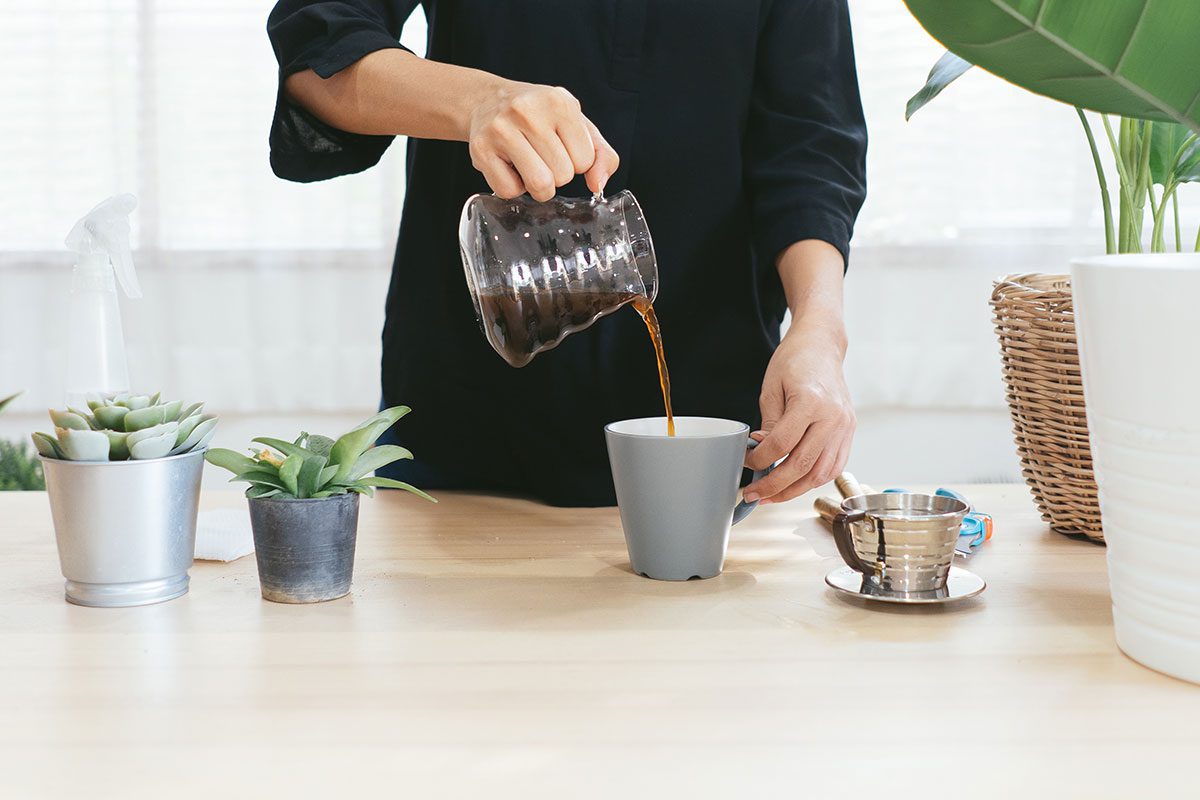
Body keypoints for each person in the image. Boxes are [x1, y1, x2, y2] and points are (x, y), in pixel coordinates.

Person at [267, 0, 867, 507]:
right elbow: (318, 44)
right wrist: (477, 101)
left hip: (706, 416)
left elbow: (809, 150)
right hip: (466, 411)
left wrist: (820, 329)